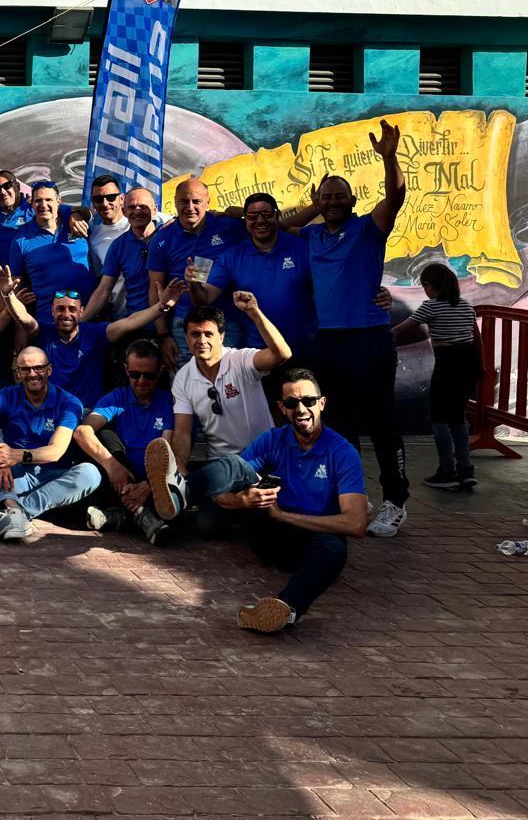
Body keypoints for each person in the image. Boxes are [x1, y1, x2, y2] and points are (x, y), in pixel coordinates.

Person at [146, 369, 367, 632]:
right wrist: (244, 500)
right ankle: (183, 491)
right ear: (282, 408)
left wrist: (283, 515)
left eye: (308, 401)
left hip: (308, 544)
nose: (301, 409)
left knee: (334, 550)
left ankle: (284, 608)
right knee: (237, 466)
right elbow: (223, 491)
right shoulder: (272, 439)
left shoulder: (342, 452)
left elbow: (356, 524)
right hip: (266, 532)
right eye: (291, 403)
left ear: (321, 403)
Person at [304, 119, 411, 536]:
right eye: (326, 197)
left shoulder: (368, 228)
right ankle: (354, 498)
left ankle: (395, 501)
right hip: (328, 340)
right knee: (339, 425)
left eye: (339, 196)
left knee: (381, 423)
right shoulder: (311, 237)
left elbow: (396, 196)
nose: (333, 202)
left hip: (369, 337)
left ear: (353, 200)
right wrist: (312, 205)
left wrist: (389, 158)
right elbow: (277, 224)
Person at [153, 296, 292, 536]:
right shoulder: (183, 378)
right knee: (205, 525)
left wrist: (254, 312)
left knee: (232, 465)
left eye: (209, 334)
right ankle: (192, 493)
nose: (202, 340)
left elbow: (282, 354)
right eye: (195, 334)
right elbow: (183, 434)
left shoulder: (241, 360)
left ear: (221, 337)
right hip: (219, 470)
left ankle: (183, 492)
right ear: (186, 338)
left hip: (260, 461)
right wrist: (181, 467)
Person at [0, 347, 102, 542]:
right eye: (25, 369)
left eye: (38, 368)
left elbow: (56, 451)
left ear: (49, 370)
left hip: (54, 478)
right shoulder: (8, 395)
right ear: (18, 373)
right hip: (14, 478)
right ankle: (11, 506)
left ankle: (18, 511)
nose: (32, 374)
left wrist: (16, 455)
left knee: (90, 473)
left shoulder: (69, 402)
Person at [72, 340, 175, 544]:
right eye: (135, 374)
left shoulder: (168, 402)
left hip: (157, 480)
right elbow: (82, 432)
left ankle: (123, 516)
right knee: (105, 436)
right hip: (121, 479)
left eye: (149, 375)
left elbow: (167, 449)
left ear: (160, 372)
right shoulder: (116, 398)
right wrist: (113, 466)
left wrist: (149, 485)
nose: (141, 381)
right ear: (126, 370)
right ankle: (141, 515)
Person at [194, 193, 317, 359]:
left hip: (306, 348)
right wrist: (194, 283)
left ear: (277, 215)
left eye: (266, 214)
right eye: (252, 216)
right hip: (261, 353)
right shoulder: (231, 257)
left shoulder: (303, 247)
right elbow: (205, 298)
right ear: (245, 219)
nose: (260, 220)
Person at [393, 262, 481, 491]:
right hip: (468, 363)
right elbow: (477, 338)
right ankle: (466, 470)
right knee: (458, 418)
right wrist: (481, 367)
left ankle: (447, 471)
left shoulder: (430, 307)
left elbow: (402, 329)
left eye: (425, 286)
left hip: (447, 364)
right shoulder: (465, 306)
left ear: (429, 286)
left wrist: (375, 339)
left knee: (440, 420)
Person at [42, 279, 188, 410]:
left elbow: (130, 322)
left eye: (72, 309)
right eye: (60, 309)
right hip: (52, 413)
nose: (66, 314)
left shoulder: (94, 333)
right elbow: (28, 322)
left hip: (88, 414)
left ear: (81, 312)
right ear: (52, 312)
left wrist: (162, 306)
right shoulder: (44, 333)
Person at [148, 178, 248, 360]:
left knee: (229, 377)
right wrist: (163, 335)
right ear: (175, 202)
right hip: (184, 326)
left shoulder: (230, 227)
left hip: (228, 322)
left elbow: (266, 226)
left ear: (208, 202)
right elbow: (155, 290)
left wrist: (241, 212)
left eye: (196, 201)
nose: (190, 207)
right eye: (184, 201)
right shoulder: (162, 238)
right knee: (187, 378)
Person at [3, 181, 96, 330]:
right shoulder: (20, 241)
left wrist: (74, 214)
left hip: (90, 317)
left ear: (58, 201)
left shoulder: (77, 224)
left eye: (48, 200)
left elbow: (88, 212)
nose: (43, 205)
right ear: (31, 204)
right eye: (38, 200)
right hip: (50, 323)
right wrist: (20, 328)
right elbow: (17, 289)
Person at [84, 187, 165, 323]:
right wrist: (80, 323)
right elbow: (103, 290)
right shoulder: (118, 246)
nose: (137, 211)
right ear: (124, 211)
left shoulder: (169, 234)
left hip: (171, 323)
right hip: (136, 324)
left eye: (143, 206)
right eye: (131, 207)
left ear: (155, 209)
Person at [84, 174, 128, 276]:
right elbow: (100, 277)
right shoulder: (93, 238)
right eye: (98, 199)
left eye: (111, 197)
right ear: (93, 202)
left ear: (121, 199)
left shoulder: (139, 224)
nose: (105, 204)